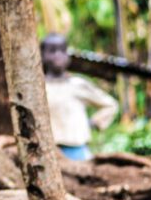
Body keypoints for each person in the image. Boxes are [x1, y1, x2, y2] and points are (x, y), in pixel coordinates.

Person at [42, 32, 118, 161]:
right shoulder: (38, 87)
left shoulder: (77, 84)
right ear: (42, 55)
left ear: (68, 55)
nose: (58, 55)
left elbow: (110, 105)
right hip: (48, 152)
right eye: (52, 51)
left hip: (77, 151)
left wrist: (94, 122)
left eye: (62, 50)